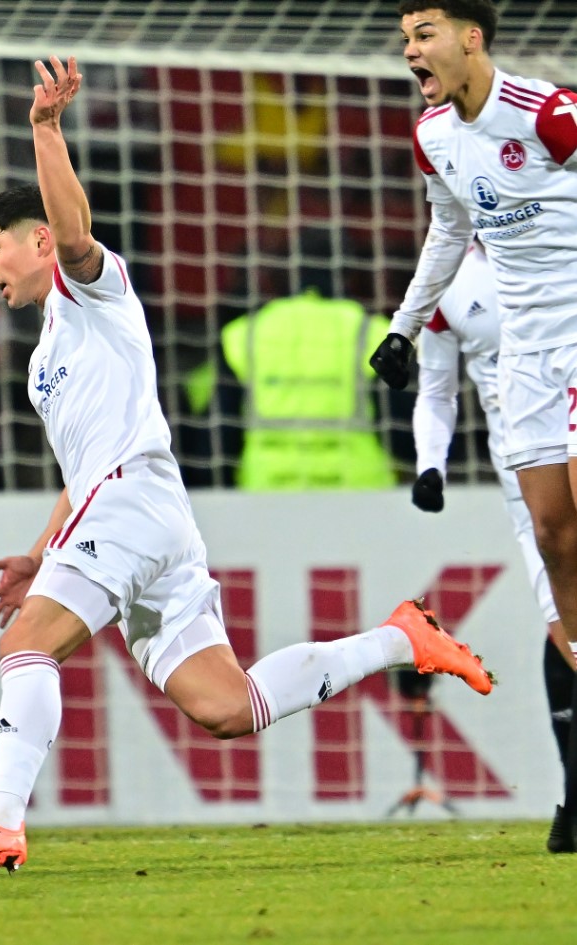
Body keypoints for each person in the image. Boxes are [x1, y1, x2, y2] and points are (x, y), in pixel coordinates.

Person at [0, 56, 492, 875]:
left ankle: (0, 817)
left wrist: (45, 129)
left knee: (26, 646)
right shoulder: (46, 359)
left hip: (134, 504)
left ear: (37, 241)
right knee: (227, 706)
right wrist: (43, 548)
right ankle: (399, 639)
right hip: (144, 516)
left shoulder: (91, 293)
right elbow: (81, 469)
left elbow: (73, 233)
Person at [367, 0, 577, 853]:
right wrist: (405, 326)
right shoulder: (435, 136)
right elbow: (447, 229)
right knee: (556, 534)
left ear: (470, 38)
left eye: (424, 34)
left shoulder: (553, 115)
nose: (411, 51)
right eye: (406, 39)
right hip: (523, 355)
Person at [410, 240, 576, 850]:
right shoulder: (447, 288)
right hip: (525, 480)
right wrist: (432, 464)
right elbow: (437, 392)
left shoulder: (559, 243)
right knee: (565, 627)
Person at [217, 231, 396, 491]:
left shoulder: (245, 333)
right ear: (349, 272)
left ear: (289, 271)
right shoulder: (374, 333)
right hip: (357, 491)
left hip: (266, 490)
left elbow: (221, 434)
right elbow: (405, 429)